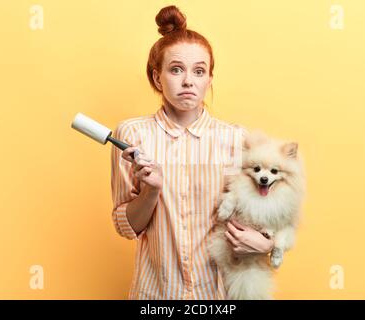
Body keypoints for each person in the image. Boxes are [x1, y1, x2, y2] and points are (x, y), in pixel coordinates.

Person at [110, 5, 274, 300]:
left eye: (199, 71)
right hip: (155, 296)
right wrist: (151, 191)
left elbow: (264, 213)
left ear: (209, 79)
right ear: (158, 78)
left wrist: (267, 244)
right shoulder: (133, 136)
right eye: (176, 69)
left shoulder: (236, 139)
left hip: (218, 296)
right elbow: (127, 227)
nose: (188, 81)